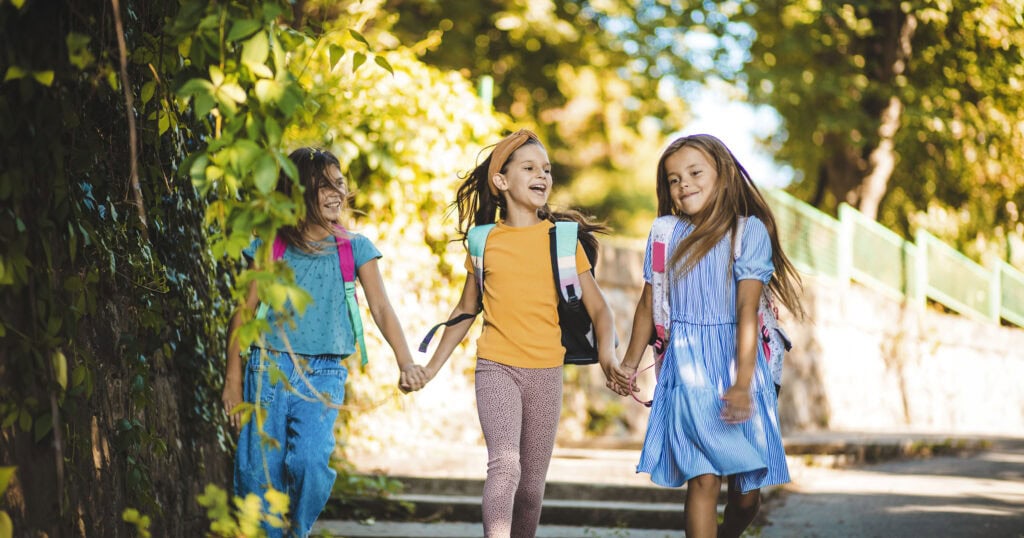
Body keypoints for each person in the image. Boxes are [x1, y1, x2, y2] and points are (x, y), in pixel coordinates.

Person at [420, 129, 629, 537]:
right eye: (530, 168)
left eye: (547, 169)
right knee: (505, 464)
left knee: (532, 488)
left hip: (546, 372)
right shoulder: (483, 242)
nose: (543, 176)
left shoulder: (564, 241)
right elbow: (466, 310)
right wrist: (430, 368)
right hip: (496, 366)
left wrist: (607, 355)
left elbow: (599, 308)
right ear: (501, 180)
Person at [221, 147, 428, 537]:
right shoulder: (271, 245)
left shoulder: (356, 248)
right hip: (268, 368)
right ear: (298, 193)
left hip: (325, 374)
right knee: (256, 471)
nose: (336, 192)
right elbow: (244, 312)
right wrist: (232, 378)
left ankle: (297, 532)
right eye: (323, 186)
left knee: (311, 464)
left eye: (339, 183)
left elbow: (382, 308)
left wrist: (406, 362)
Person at [611, 134, 804, 538]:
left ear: (724, 175)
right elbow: (648, 304)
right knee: (702, 479)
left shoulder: (748, 233)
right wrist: (628, 363)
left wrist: (741, 383)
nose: (684, 185)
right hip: (686, 367)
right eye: (674, 179)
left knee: (746, 496)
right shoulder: (664, 233)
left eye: (695, 173)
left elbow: (745, 311)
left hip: (738, 365)